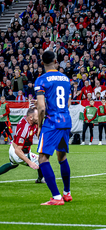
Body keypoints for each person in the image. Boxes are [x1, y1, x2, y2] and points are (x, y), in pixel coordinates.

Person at [35, 51, 72, 205]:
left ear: (42, 63)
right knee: (61, 156)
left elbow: (42, 108)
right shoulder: (65, 79)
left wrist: (39, 126)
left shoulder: (41, 80)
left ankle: (56, 197)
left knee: (43, 157)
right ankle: (67, 192)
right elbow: (68, 102)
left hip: (52, 122)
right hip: (65, 120)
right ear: (56, 61)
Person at [0, 108, 44, 183]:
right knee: (41, 161)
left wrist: (37, 105)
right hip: (19, 152)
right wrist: (30, 163)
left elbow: (34, 113)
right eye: (37, 116)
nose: (39, 118)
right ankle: (40, 179)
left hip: (13, 147)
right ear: (31, 117)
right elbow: (17, 150)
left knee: (13, 165)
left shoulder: (29, 119)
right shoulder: (25, 129)